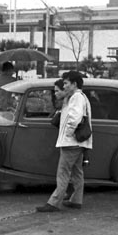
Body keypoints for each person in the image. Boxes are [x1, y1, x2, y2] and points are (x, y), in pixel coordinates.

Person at [37, 71, 92, 212]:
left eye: (66, 83)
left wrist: (68, 134)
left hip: (71, 143)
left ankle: (54, 203)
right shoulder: (78, 96)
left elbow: (74, 118)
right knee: (77, 172)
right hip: (77, 143)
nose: (65, 85)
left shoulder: (76, 97)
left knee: (63, 173)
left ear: (74, 84)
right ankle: (76, 200)